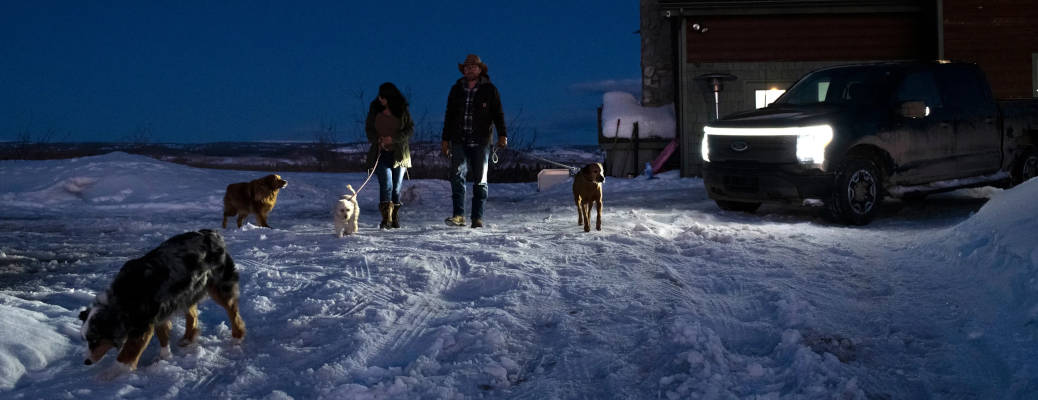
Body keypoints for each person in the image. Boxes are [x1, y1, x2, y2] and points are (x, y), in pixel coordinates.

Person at [441, 54, 507, 228]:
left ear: (480, 69)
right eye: (466, 66)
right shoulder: (456, 89)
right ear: (463, 70)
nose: (469, 69)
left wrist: (502, 135)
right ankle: (458, 215)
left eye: (473, 66)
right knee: (456, 177)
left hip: (481, 141)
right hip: (459, 140)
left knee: (480, 180)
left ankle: (477, 218)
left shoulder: (490, 89)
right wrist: (445, 139)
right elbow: (449, 115)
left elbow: (498, 114)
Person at [365, 82, 414, 229]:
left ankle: (395, 217)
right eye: (380, 96)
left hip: (399, 154)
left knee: (396, 188)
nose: (380, 99)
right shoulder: (375, 109)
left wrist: (393, 139)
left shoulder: (402, 111)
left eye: (383, 97)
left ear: (390, 97)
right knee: (386, 184)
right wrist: (378, 140)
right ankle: (386, 219)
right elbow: (369, 129)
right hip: (381, 154)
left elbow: (409, 130)